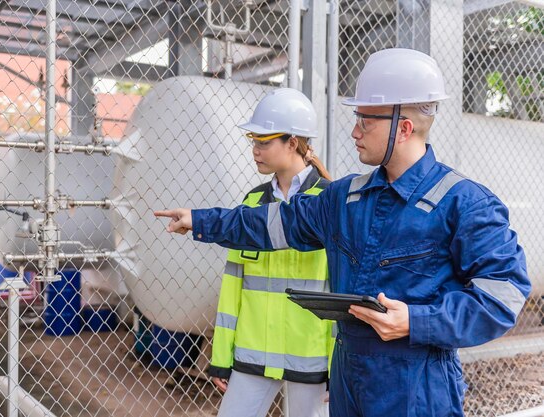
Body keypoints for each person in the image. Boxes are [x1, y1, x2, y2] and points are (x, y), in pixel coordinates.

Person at [155, 48, 531, 417]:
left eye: (366, 120)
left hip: (416, 388)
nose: (354, 131)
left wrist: (416, 321)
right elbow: (274, 224)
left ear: (403, 127)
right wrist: (201, 220)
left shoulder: (464, 203)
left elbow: (503, 296)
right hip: (349, 379)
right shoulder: (345, 198)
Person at [209, 88, 332, 417]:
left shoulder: (330, 200)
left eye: (264, 142)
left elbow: (343, 288)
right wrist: (222, 357)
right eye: (254, 141)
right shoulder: (252, 202)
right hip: (254, 355)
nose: (255, 150)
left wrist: (342, 364)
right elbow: (234, 283)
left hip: (311, 356)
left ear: (292, 142)